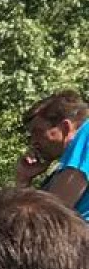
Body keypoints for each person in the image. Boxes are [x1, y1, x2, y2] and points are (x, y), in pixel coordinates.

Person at [15, 90, 89, 220]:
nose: (33, 142)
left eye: (38, 132)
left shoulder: (86, 134)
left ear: (65, 127)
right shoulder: (62, 168)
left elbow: (48, 217)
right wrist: (24, 179)